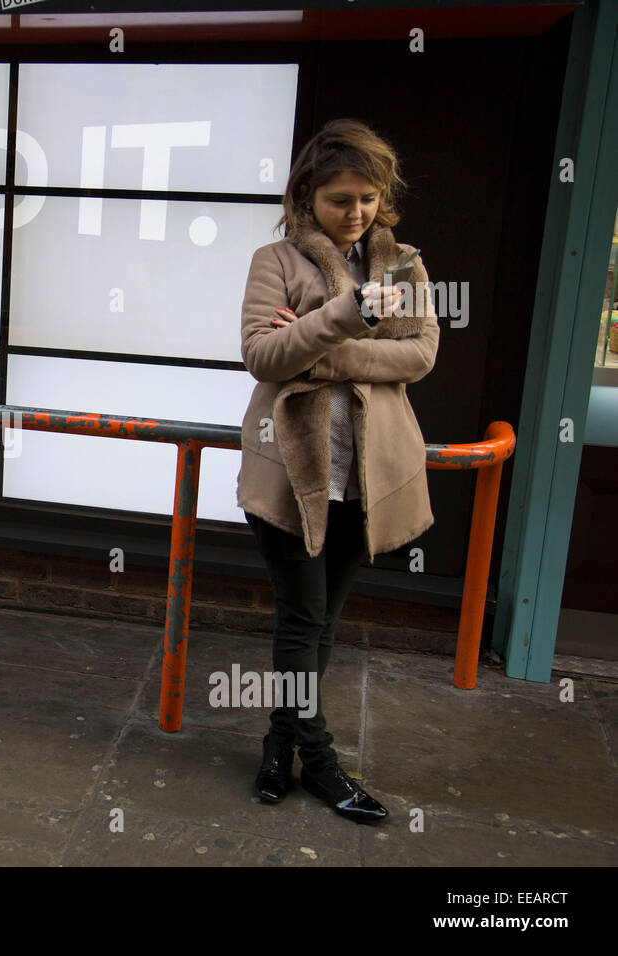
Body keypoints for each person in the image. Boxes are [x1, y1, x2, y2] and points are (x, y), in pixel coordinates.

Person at [235, 118, 440, 823]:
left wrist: (319, 346)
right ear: (305, 198)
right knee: (302, 619)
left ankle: (275, 747)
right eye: (339, 199)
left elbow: (419, 357)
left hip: (368, 479)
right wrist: (350, 315)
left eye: (368, 198)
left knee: (323, 626)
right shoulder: (276, 260)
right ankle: (320, 764)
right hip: (292, 475)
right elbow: (263, 356)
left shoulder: (406, 265)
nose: (356, 213)